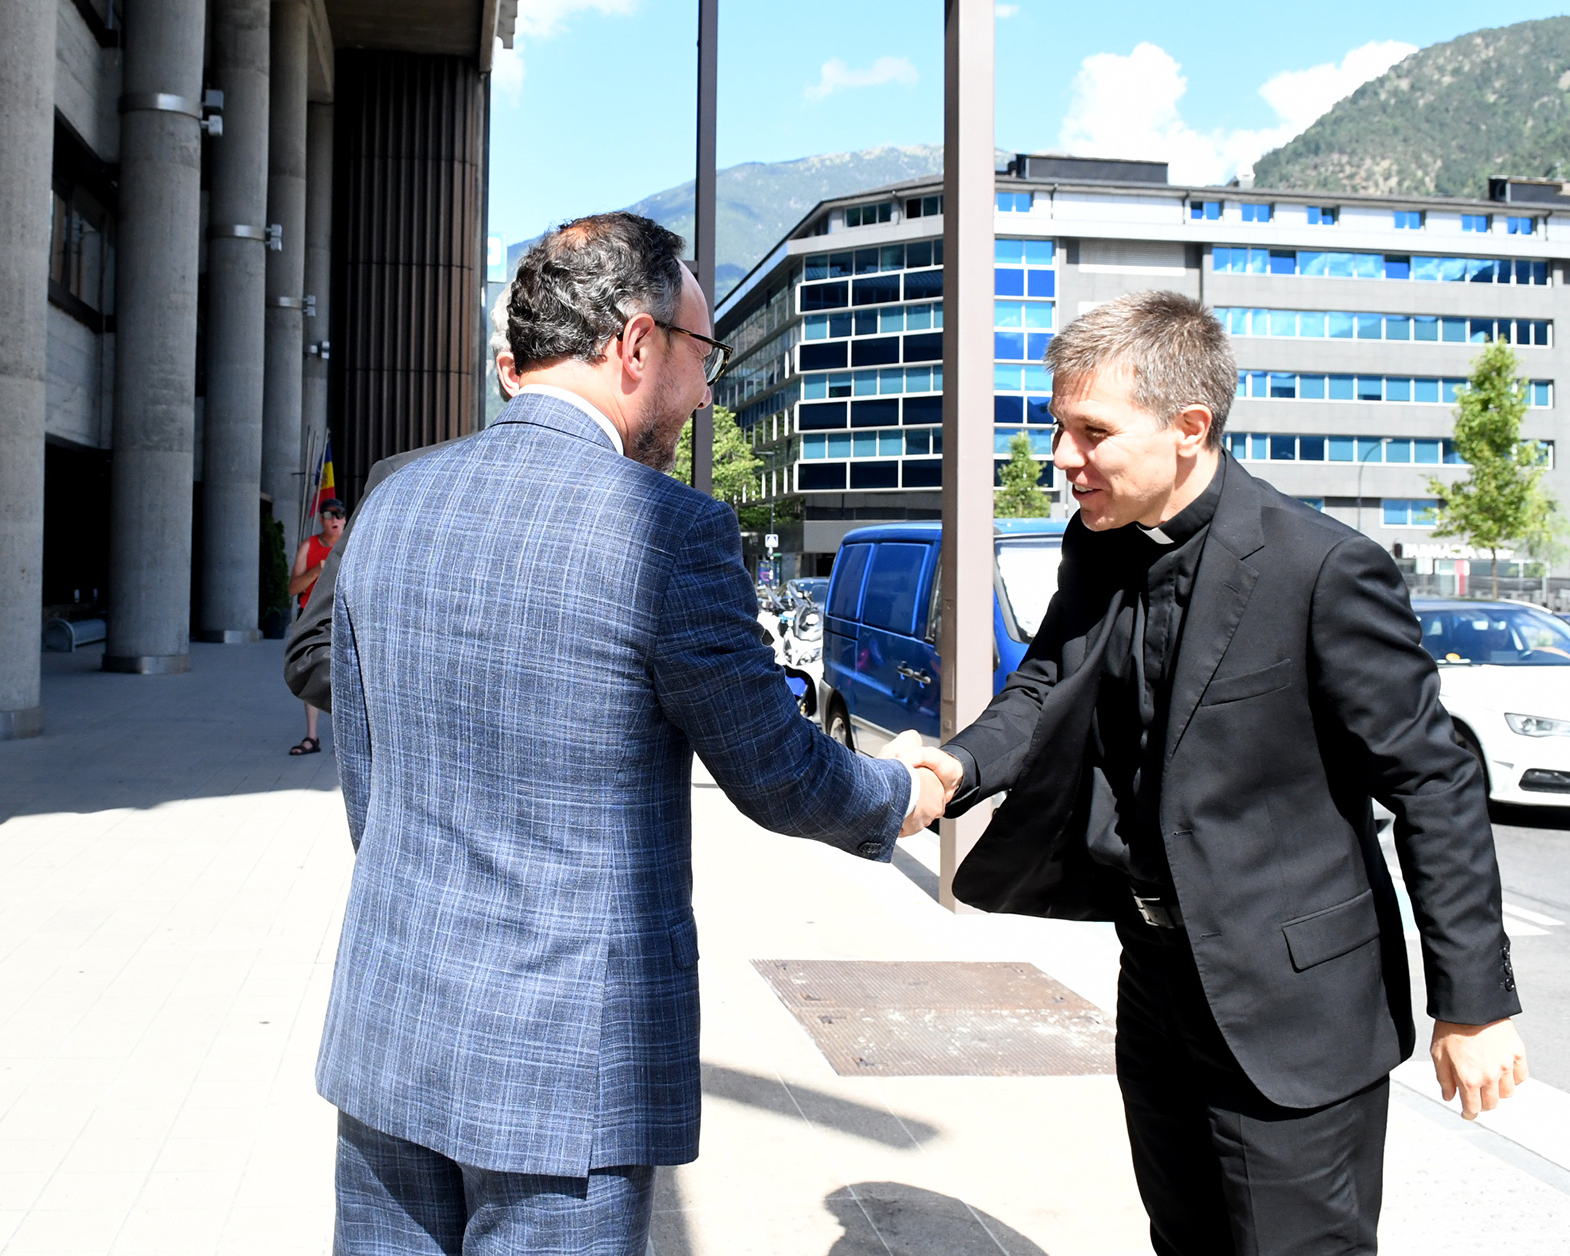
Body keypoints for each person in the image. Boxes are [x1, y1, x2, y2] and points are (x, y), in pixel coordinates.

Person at [316, 212, 942, 1253]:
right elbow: (776, 772)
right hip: (563, 1071)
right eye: (702, 356)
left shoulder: (393, 500)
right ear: (637, 345)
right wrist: (899, 793)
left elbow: (365, 780)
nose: (703, 393)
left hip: (390, 1032)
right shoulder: (668, 528)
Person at [902, 291, 1526, 1256]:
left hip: (1295, 1012)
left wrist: (1473, 1001)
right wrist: (952, 768)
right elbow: (1048, 680)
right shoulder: (1097, 541)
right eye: (1059, 428)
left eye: (1092, 432)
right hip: (1154, 980)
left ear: (1189, 427)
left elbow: (1433, 782)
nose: (1064, 459)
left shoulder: (1323, 569)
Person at [283, 298, 523, 716]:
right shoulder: (400, 481)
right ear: (510, 372)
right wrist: (427, 716)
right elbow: (311, 652)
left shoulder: (657, 516)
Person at [288, 498, 347, 755]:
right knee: (311, 673)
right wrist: (316, 572)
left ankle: (345, 737)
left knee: (345, 676)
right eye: (328, 515)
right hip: (311, 616)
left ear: (345, 520)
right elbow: (292, 588)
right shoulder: (309, 546)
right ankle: (312, 736)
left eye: (339, 515)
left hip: (343, 616)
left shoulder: (352, 545)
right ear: (321, 519)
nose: (333, 520)